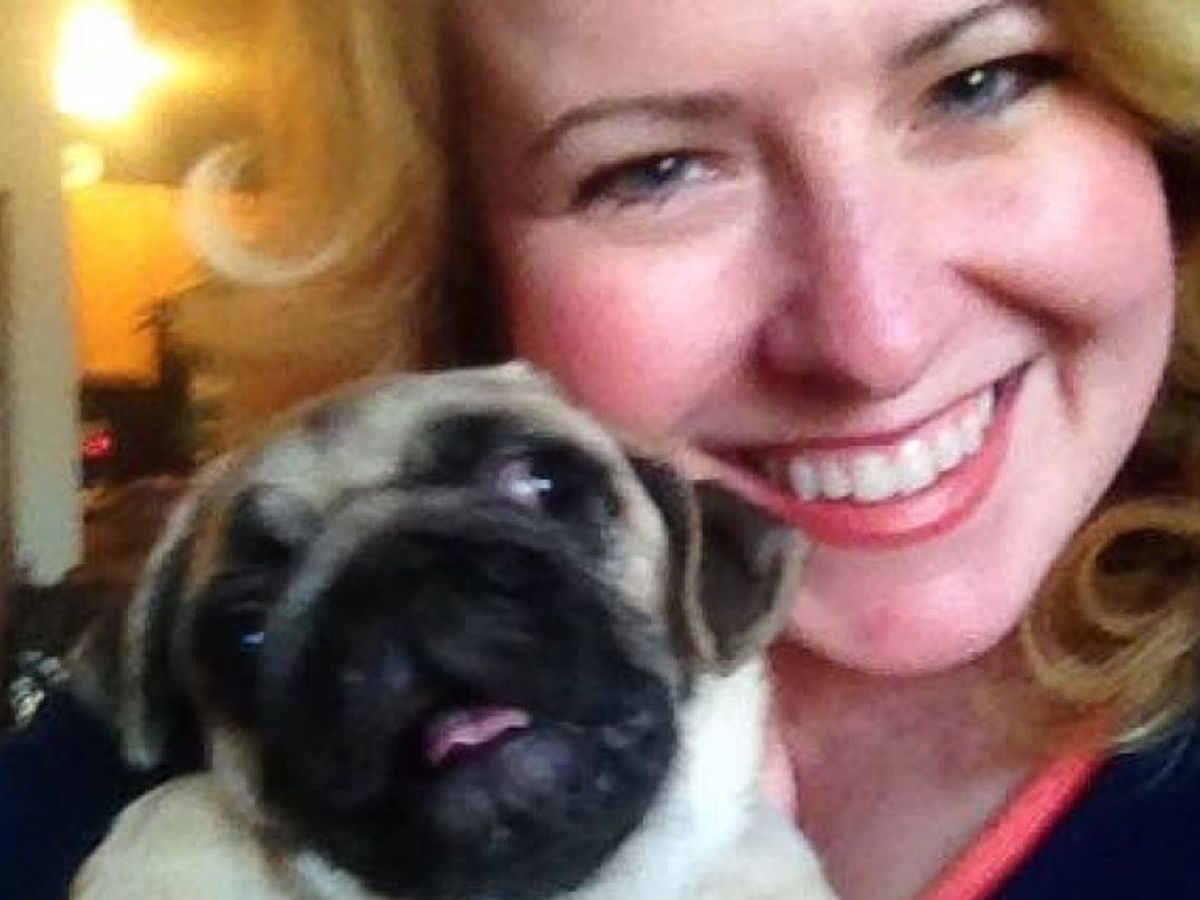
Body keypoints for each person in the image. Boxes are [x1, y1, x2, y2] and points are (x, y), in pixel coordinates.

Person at [5, 1, 1199, 898]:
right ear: (456, 264)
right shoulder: (144, 764)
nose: (874, 337)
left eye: (979, 82)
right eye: (650, 170)